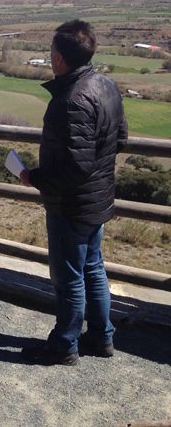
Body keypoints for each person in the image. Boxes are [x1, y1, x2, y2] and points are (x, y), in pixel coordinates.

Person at [20, 19, 127, 366]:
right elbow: (119, 138)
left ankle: (64, 345)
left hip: (72, 204)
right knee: (93, 268)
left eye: (52, 50)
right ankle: (101, 336)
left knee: (69, 278)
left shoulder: (70, 100)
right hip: (98, 198)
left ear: (61, 58)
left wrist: (34, 177)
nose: (49, 56)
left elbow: (74, 167)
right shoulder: (106, 85)